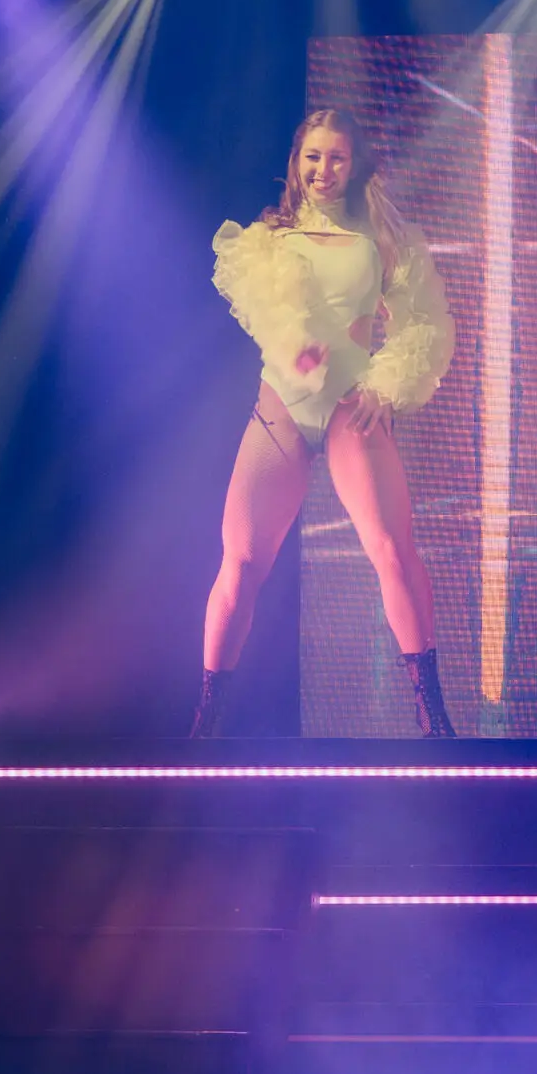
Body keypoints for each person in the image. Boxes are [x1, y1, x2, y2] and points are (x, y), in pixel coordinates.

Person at [192, 109, 458, 738]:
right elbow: (263, 311)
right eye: (313, 156)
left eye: (337, 157)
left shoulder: (383, 236)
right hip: (281, 411)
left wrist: (387, 384)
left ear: (354, 163)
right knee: (241, 561)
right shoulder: (268, 239)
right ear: (297, 162)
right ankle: (205, 723)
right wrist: (296, 348)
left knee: (392, 549)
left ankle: (434, 718)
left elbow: (423, 318)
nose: (324, 168)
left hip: (349, 408)